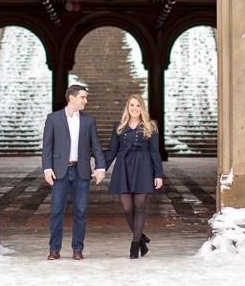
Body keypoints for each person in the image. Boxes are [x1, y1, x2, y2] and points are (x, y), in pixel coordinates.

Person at [41, 84, 106, 260]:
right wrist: (47, 168)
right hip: (59, 172)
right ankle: (54, 249)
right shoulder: (53, 119)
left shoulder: (88, 120)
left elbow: (96, 146)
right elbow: (47, 147)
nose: (86, 101)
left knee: (81, 211)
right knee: (56, 211)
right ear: (72, 98)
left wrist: (100, 167)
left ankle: (78, 249)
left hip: (81, 171)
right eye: (83, 97)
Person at [103, 94, 164, 259]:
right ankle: (141, 238)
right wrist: (101, 168)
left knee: (140, 206)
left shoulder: (151, 126)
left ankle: (135, 245)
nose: (135, 108)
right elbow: (112, 151)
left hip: (143, 168)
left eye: (138, 105)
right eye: (132, 105)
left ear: (142, 108)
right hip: (123, 168)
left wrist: (158, 174)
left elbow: (154, 151)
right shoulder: (119, 127)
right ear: (127, 107)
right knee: (127, 208)